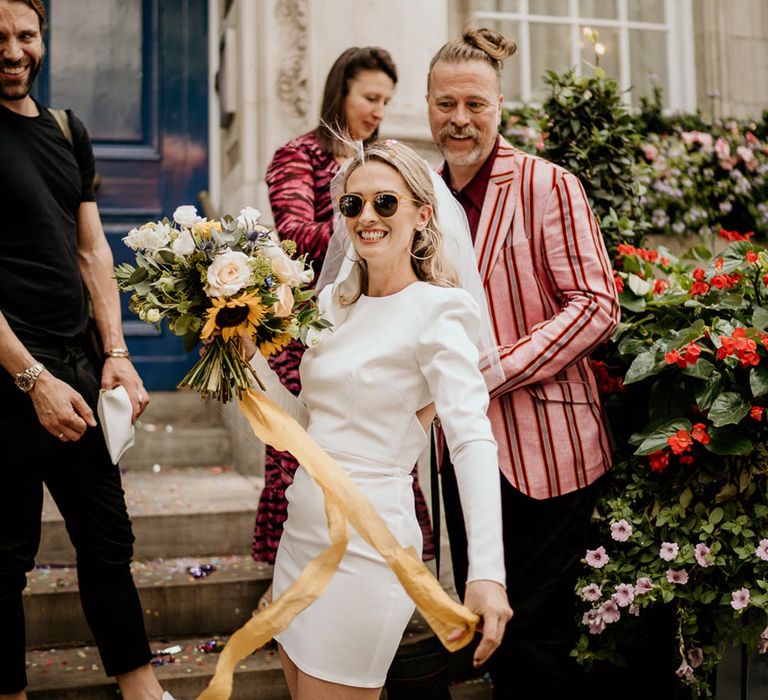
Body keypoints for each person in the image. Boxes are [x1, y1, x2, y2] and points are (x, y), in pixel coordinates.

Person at [245, 138, 512, 700]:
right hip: (301, 532)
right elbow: (306, 424)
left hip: (368, 545)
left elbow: (470, 439)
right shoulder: (333, 305)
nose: (366, 217)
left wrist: (486, 571)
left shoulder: (440, 311)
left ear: (423, 214)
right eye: (352, 204)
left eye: (385, 203)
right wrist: (244, 358)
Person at [426, 27, 621, 698]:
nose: (460, 119)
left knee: (537, 633)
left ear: (500, 106)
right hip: (462, 449)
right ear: (427, 107)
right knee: (486, 621)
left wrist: (493, 370)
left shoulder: (548, 185)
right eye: (446, 104)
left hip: (550, 450)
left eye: (474, 104)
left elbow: (597, 304)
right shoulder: (421, 202)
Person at [0, 2, 173, 699]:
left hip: (76, 369)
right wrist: (33, 379)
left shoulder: (68, 131)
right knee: (2, 559)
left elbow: (92, 248)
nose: (13, 52)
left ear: (44, 39)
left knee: (108, 546)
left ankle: (140, 689)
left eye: (25, 36)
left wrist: (118, 351)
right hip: (8, 376)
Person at [254, 46, 436, 598]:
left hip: (378, 322)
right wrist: (367, 213)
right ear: (341, 93)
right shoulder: (299, 156)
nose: (378, 111)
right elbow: (291, 237)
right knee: (300, 454)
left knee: (381, 450)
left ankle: (380, 569)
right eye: (369, 98)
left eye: (386, 101)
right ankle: (292, 578)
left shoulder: (383, 161)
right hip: (306, 330)